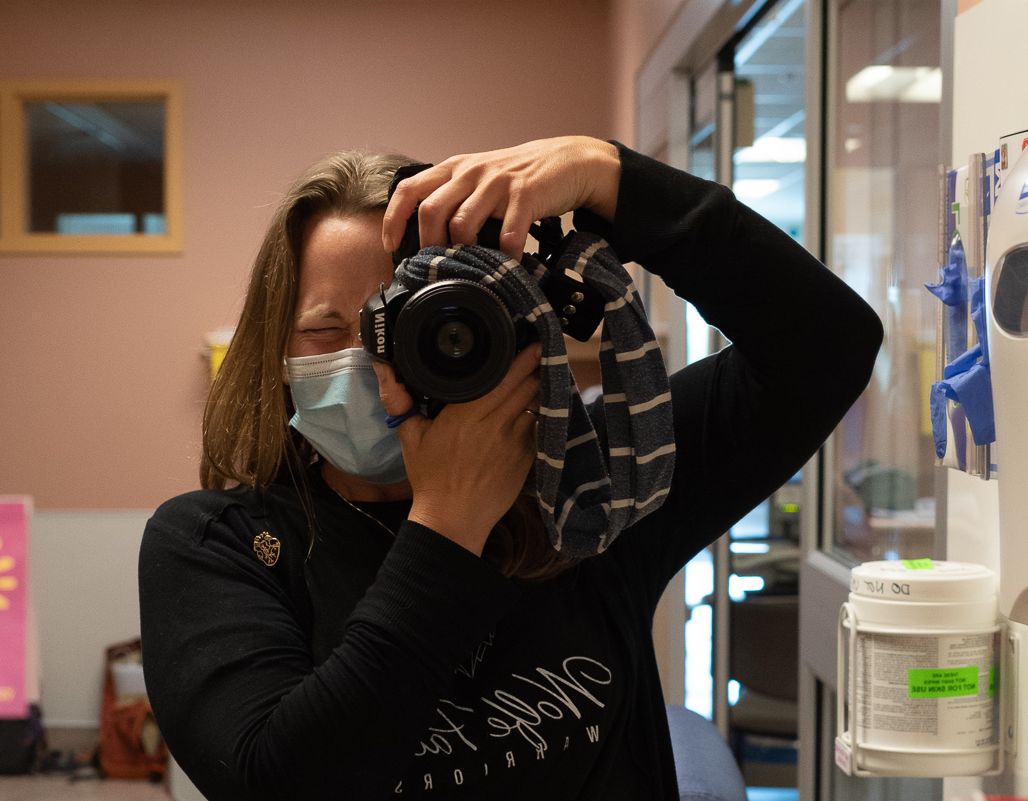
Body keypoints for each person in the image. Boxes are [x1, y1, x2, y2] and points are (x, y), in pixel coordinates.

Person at [138, 136, 883, 800]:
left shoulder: (590, 487)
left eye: (405, 321)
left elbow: (828, 346)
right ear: (274, 354)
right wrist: (447, 523)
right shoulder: (218, 545)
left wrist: (613, 177)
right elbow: (276, 781)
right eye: (327, 327)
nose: (374, 360)